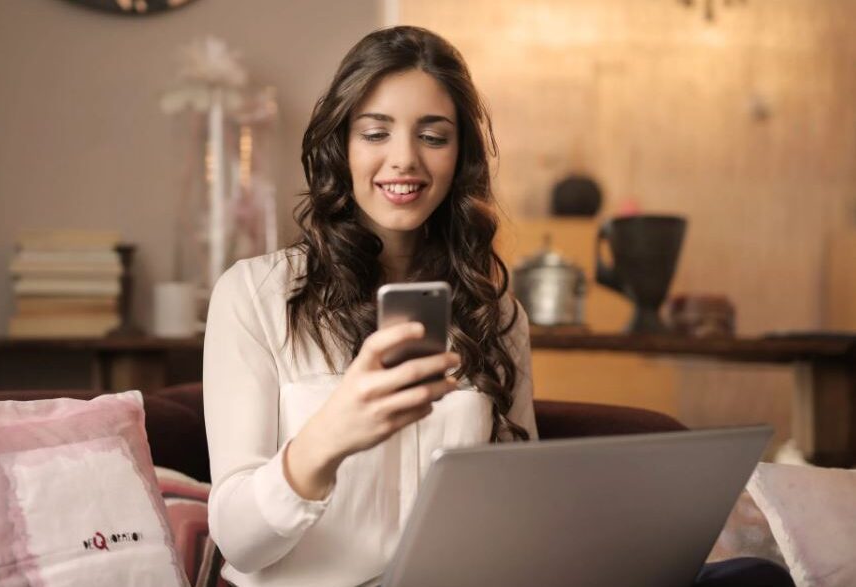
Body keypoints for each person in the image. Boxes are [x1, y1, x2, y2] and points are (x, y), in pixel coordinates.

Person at [203, 25, 793, 587]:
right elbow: (239, 540)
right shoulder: (255, 296)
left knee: (753, 579)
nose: (405, 159)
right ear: (341, 146)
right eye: (376, 132)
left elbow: (517, 502)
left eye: (433, 135)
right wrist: (327, 438)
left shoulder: (494, 312)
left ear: (460, 156)